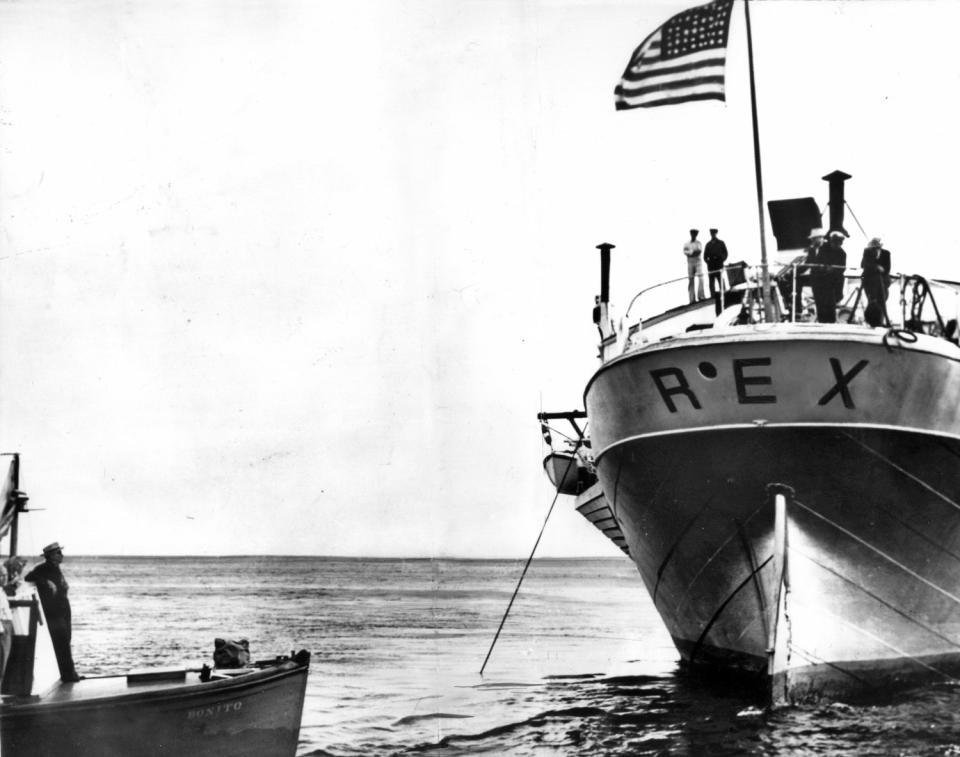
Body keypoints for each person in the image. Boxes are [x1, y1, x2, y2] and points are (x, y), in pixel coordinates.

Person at [24, 542, 79, 682]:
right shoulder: (43, 568)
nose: (61, 555)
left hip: (63, 610)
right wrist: (46, 582)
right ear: (50, 556)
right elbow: (28, 577)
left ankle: (70, 673)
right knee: (62, 643)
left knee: (66, 640)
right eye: (58, 553)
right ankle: (68, 675)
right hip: (54, 612)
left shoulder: (55, 568)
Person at [811, 230, 847, 323]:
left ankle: (830, 322)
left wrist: (833, 270)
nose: (836, 244)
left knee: (831, 304)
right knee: (820, 303)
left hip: (832, 283)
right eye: (834, 242)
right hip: (820, 281)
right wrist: (824, 269)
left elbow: (841, 269)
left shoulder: (842, 253)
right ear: (831, 241)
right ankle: (822, 321)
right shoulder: (823, 249)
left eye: (839, 242)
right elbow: (818, 263)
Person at [860, 236, 891, 324]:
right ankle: (871, 321)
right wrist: (875, 267)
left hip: (883, 282)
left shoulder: (886, 253)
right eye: (873, 248)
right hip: (869, 282)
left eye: (876, 248)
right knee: (872, 302)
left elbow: (887, 269)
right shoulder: (867, 252)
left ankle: (881, 321)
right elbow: (863, 265)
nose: (875, 250)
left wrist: (879, 271)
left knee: (882, 302)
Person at [703, 228, 729, 314]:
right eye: (711, 233)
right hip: (711, 265)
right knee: (711, 282)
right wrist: (708, 262)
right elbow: (705, 256)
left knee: (721, 281)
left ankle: (724, 295)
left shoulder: (721, 243)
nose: (713, 235)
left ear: (716, 233)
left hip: (718, 264)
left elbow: (725, 253)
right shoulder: (708, 244)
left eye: (714, 233)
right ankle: (713, 298)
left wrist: (722, 260)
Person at [683, 228, 704, 304]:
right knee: (691, 280)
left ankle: (701, 296)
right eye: (692, 234)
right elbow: (685, 251)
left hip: (698, 263)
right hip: (690, 263)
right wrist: (692, 252)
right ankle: (692, 299)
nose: (694, 235)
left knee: (701, 278)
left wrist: (691, 252)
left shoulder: (698, 243)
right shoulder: (687, 244)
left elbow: (698, 251)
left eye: (695, 234)